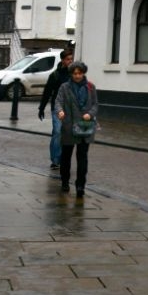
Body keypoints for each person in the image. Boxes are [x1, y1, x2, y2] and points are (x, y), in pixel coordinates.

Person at [54, 61, 98, 198]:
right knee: (66, 156)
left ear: (83, 73)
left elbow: (95, 105)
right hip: (68, 126)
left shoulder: (90, 87)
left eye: (80, 73)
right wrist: (60, 111)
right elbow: (58, 101)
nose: (77, 76)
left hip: (85, 127)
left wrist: (90, 114)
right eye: (75, 73)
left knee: (82, 158)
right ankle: (65, 181)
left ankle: (80, 185)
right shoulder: (65, 87)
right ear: (71, 74)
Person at [38, 49, 75, 169]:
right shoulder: (55, 75)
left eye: (71, 59)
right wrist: (41, 108)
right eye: (68, 59)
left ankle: (64, 158)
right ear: (63, 60)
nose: (70, 61)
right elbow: (47, 92)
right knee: (58, 132)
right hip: (58, 108)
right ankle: (55, 160)